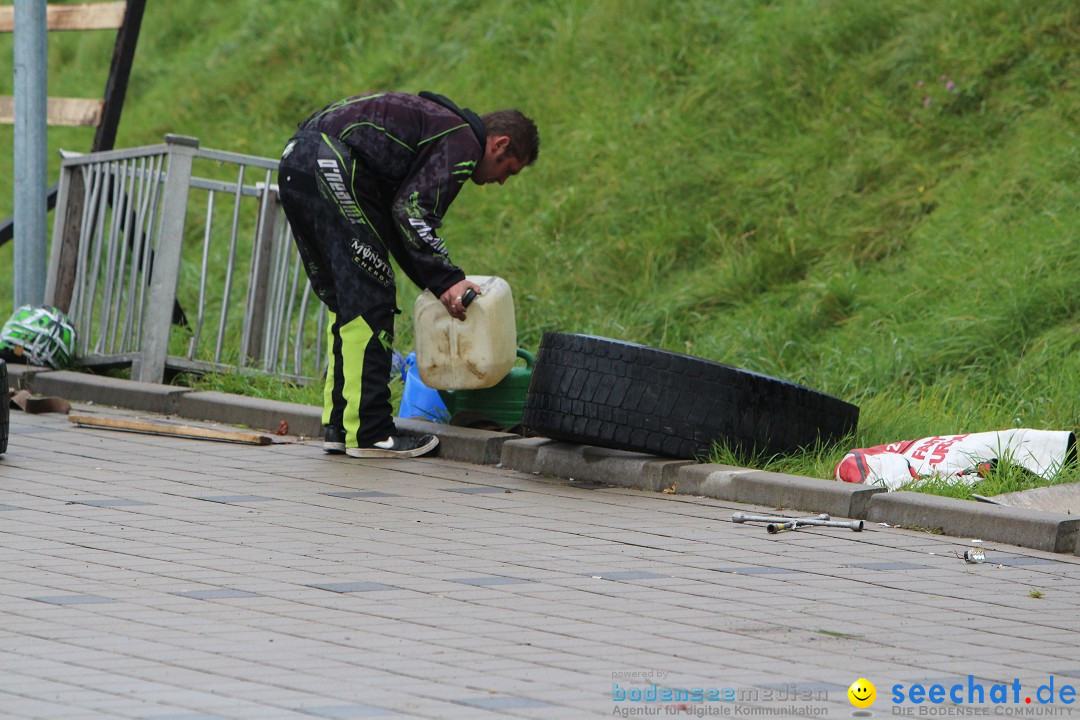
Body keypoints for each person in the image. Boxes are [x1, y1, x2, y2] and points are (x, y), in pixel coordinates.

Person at [278, 91, 539, 459]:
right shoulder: (463, 139)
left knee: (348, 301)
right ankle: (369, 433)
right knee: (371, 300)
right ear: (500, 143)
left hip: (295, 161)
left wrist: (438, 282)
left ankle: (342, 424)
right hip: (331, 161)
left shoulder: (435, 125)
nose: (501, 182)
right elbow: (412, 213)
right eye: (507, 170)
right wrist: (448, 279)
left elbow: (398, 223)